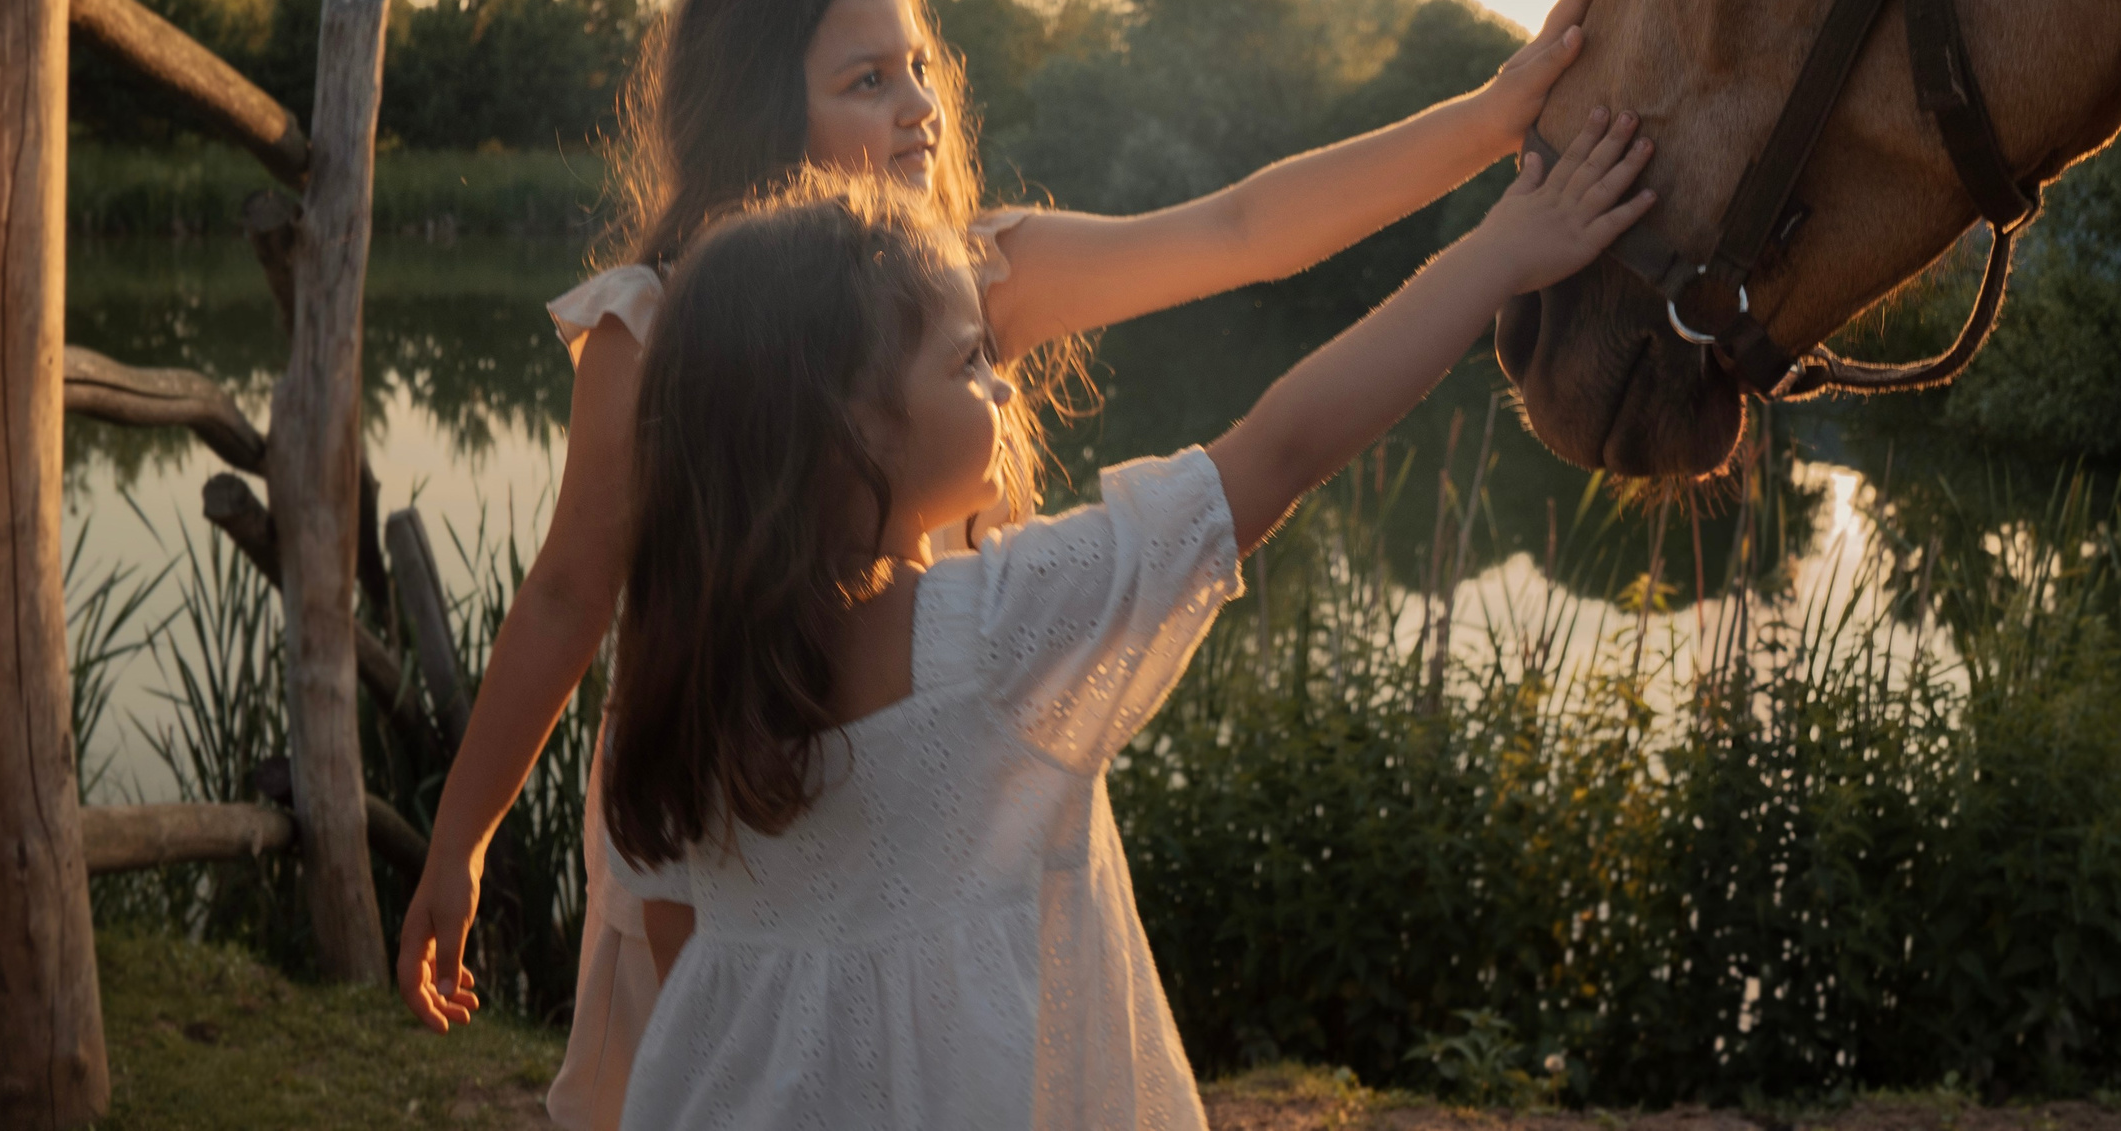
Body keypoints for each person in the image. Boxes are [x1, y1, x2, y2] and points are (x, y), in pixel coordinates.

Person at [395, 0, 1610, 1129]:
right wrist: (462, 840)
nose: (919, 103)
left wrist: (1495, 118)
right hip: (742, 802)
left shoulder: (964, 274)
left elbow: (1242, 229)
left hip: (943, 820)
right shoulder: (654, 327)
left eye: (917, 64)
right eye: (866, 81)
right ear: (756, 115)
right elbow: (567, 594)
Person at [602, 112, 1653, 1128]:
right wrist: (1499, 253)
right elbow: (1278, 451)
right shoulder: (990, 634)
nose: (1001, 386)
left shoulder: (676, 680)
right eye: (967, 361)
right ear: (856, 425)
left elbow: (681, 960)